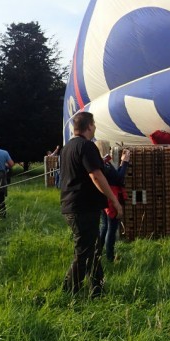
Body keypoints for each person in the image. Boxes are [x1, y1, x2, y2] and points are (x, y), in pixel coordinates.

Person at [60, 111, 122, 297]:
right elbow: (96, 175)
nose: (95, 128)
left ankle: (97, 290)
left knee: (94, 250)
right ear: (88, 126)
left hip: (72, 205)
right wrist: (114, 200)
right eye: (93, 124)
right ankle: (69, 291)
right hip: (83, 207)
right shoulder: (87, 146)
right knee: (84, 252)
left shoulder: (67, 147)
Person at [95, 140, 130, 262]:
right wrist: (125, 162)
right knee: (111, 228)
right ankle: (110, 257)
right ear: (104, 148)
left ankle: (98, 254)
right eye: (109, 148)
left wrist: (121, 163)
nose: (110, 150)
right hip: (111, 198)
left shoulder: (102, 163)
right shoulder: (106, 164)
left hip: (104, 197)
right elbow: (119, 179)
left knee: (104, 226)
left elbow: (115, 177)